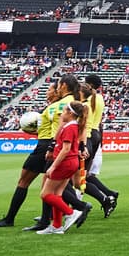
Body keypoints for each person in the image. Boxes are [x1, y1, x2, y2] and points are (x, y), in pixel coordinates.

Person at [0, 73, 89, 231]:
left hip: (48, 146)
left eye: (55, 86)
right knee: (56, 187)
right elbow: (76, 127)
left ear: (62, 86)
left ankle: (11, 218)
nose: (51, 90)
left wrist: (50, 146)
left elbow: (59, 129)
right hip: (54, 146)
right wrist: (81, 146)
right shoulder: (72, 103)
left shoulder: (63, 106)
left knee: (27, 182)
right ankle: (55, 219)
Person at [38, 100, 88, 235]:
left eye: (64, 110)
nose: (61, 113)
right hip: (72, 163)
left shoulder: (69, 127)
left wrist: (53, 166)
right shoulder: (74, 126)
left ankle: (71, 213)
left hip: (64, 163)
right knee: (57, 193)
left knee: (45, 194)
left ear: (70, 113)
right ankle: (57, 226)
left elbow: (65, 149)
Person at [80, 75, 119, 217]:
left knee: (79, 176)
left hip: (88, 135)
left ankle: (102, 199)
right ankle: (108, 195)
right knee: (84, 175)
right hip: (95, 135)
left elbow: (84, 121)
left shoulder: (87, 101)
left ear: (89, 84)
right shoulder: (99, 98)